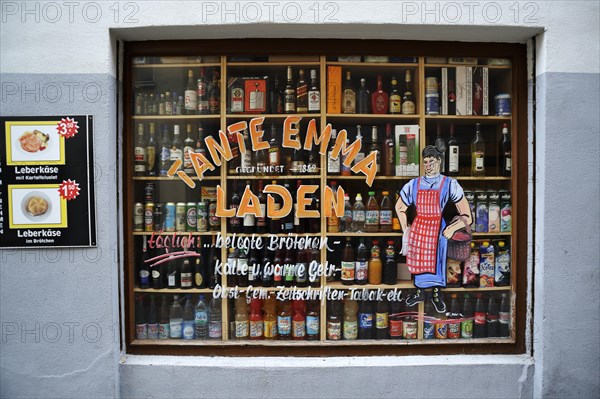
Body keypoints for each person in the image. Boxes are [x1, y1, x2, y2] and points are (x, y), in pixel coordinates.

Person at [395, 143, 472, 313]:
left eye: (432, 161)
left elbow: (467, 216)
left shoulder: (449, 184)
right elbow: (399, 207)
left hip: (438, 229)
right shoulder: (413, 184)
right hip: (419, 228)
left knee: (437, 262)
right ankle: (420, 292)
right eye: (425, 162)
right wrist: (405, 229)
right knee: (418, 263)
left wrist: (452, 228)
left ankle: (437, 295)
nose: (428, 166)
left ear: (439, 161)